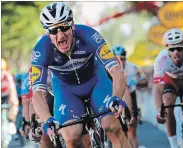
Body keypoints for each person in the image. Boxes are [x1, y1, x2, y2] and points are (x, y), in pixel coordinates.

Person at [31, 2, 131, 148]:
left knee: (112, 127)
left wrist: (116, 97)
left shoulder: (89, 35)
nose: (60, 35)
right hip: (66, 90)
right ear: (48, 33)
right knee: (71, 138)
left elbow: (116, 70)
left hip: (96, 82)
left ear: (72, 25)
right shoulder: (41, 50)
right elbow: (37, 94)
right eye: (53, 30)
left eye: (64, 27)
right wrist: (47, 119)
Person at [112, 45, 145, 148]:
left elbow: (145, 82)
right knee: (118, 133)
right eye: (118, 59)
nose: (120, 61)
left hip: (131, 96)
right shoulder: (109, 68)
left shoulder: (133, 67)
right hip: (116, 98)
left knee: (131, 131)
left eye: (122, 58)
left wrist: (136, 82)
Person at [1, 58, 19, 148]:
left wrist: (14, 109)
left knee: (7, 117)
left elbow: (13, 94)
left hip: (6, 99)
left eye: (1, 70)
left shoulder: (8, 78)